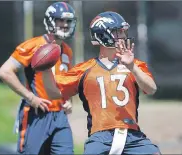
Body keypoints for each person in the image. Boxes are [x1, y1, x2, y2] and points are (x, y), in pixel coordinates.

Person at [42, 11, 161, 155]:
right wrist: (46, 69)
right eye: (118, 32)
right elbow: (53, 93)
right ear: (104, 35)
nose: (123, 36)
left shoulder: (135, 65)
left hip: (132, 135)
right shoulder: (85, 69)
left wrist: (132, 67)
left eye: (123, 32)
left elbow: (152, 89)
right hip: (100, 137)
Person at [0, 2, 77, 154]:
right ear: (50, 21)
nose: (65, 25)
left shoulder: (67, 50)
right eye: (61, 20)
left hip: (60, 117)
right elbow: (4, 72)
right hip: (37, 114)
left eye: (68, 21)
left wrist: (69, 101)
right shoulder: (34, 45)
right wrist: (30, 97)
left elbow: (64, 84)